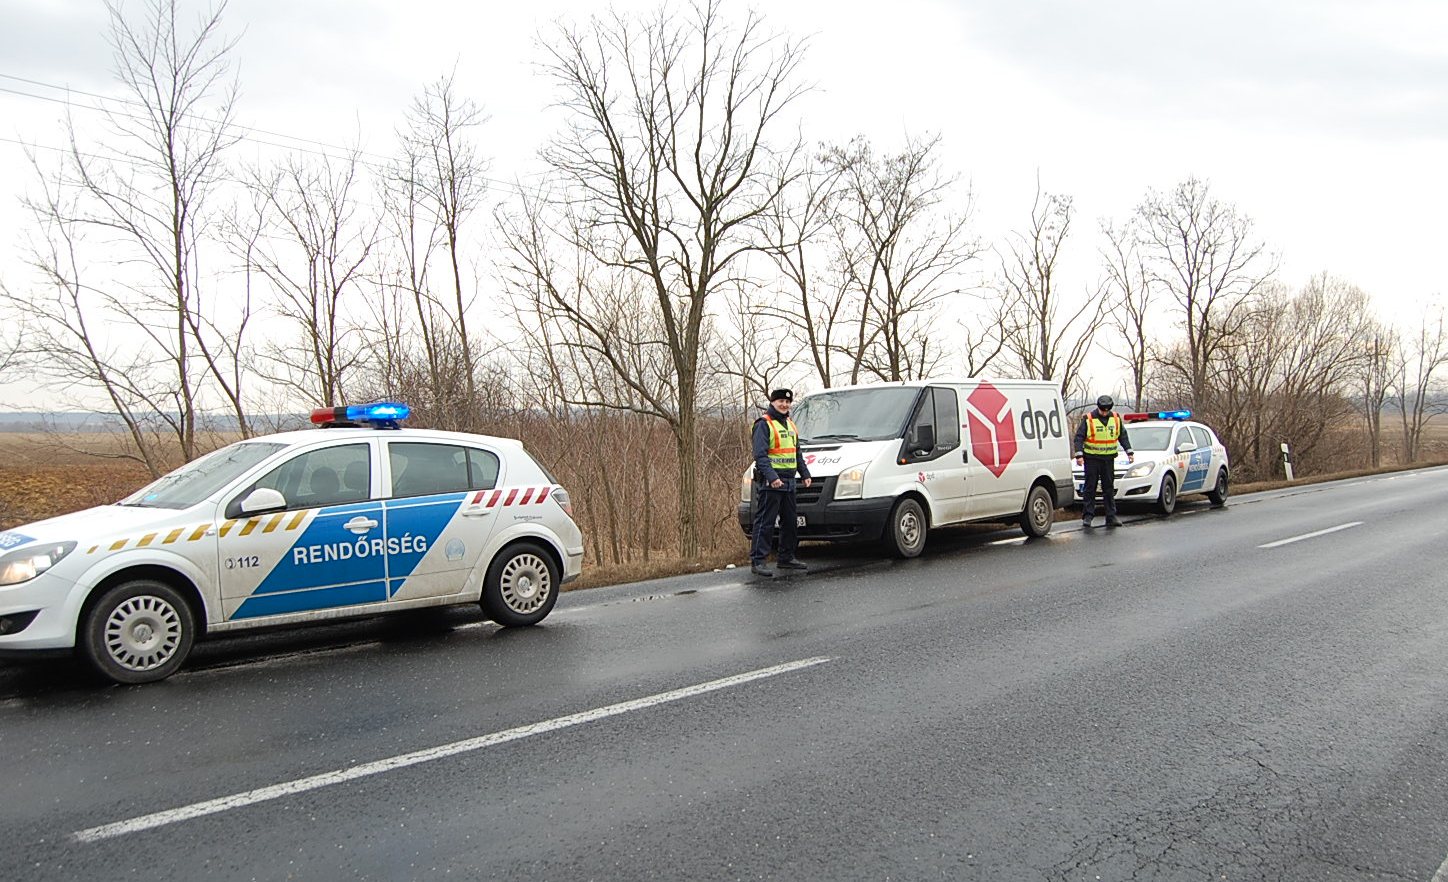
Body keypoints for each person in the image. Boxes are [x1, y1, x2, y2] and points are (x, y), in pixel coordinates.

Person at [749, 388, 813, 577]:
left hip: (789, 481)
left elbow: (796, 452)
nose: (784, 405)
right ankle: (758, 560)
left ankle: (786, 557)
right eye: (780, 402)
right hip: (772, 482)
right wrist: (772, 477)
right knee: (765, 522)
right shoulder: (764, 424)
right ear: (773, 402)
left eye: (787, 402)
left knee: (790, 522)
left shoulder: (790, 424)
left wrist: (805, 473)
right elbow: (760, 455)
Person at [1074, 394, 1134, 528]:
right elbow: (1079, 438)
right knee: (1090, 487)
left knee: (1108, 488)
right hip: (1092, 458)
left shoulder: (1116, 418)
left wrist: (1129, 452)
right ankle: (1088, 516)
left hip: (1108, 459)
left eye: (1107, 411)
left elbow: (1122, 436)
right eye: (1102, 411)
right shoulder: (1089, 419)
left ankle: (1111, 516)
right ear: (1098, 408)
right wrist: (1079, 456)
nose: (1105, 413)